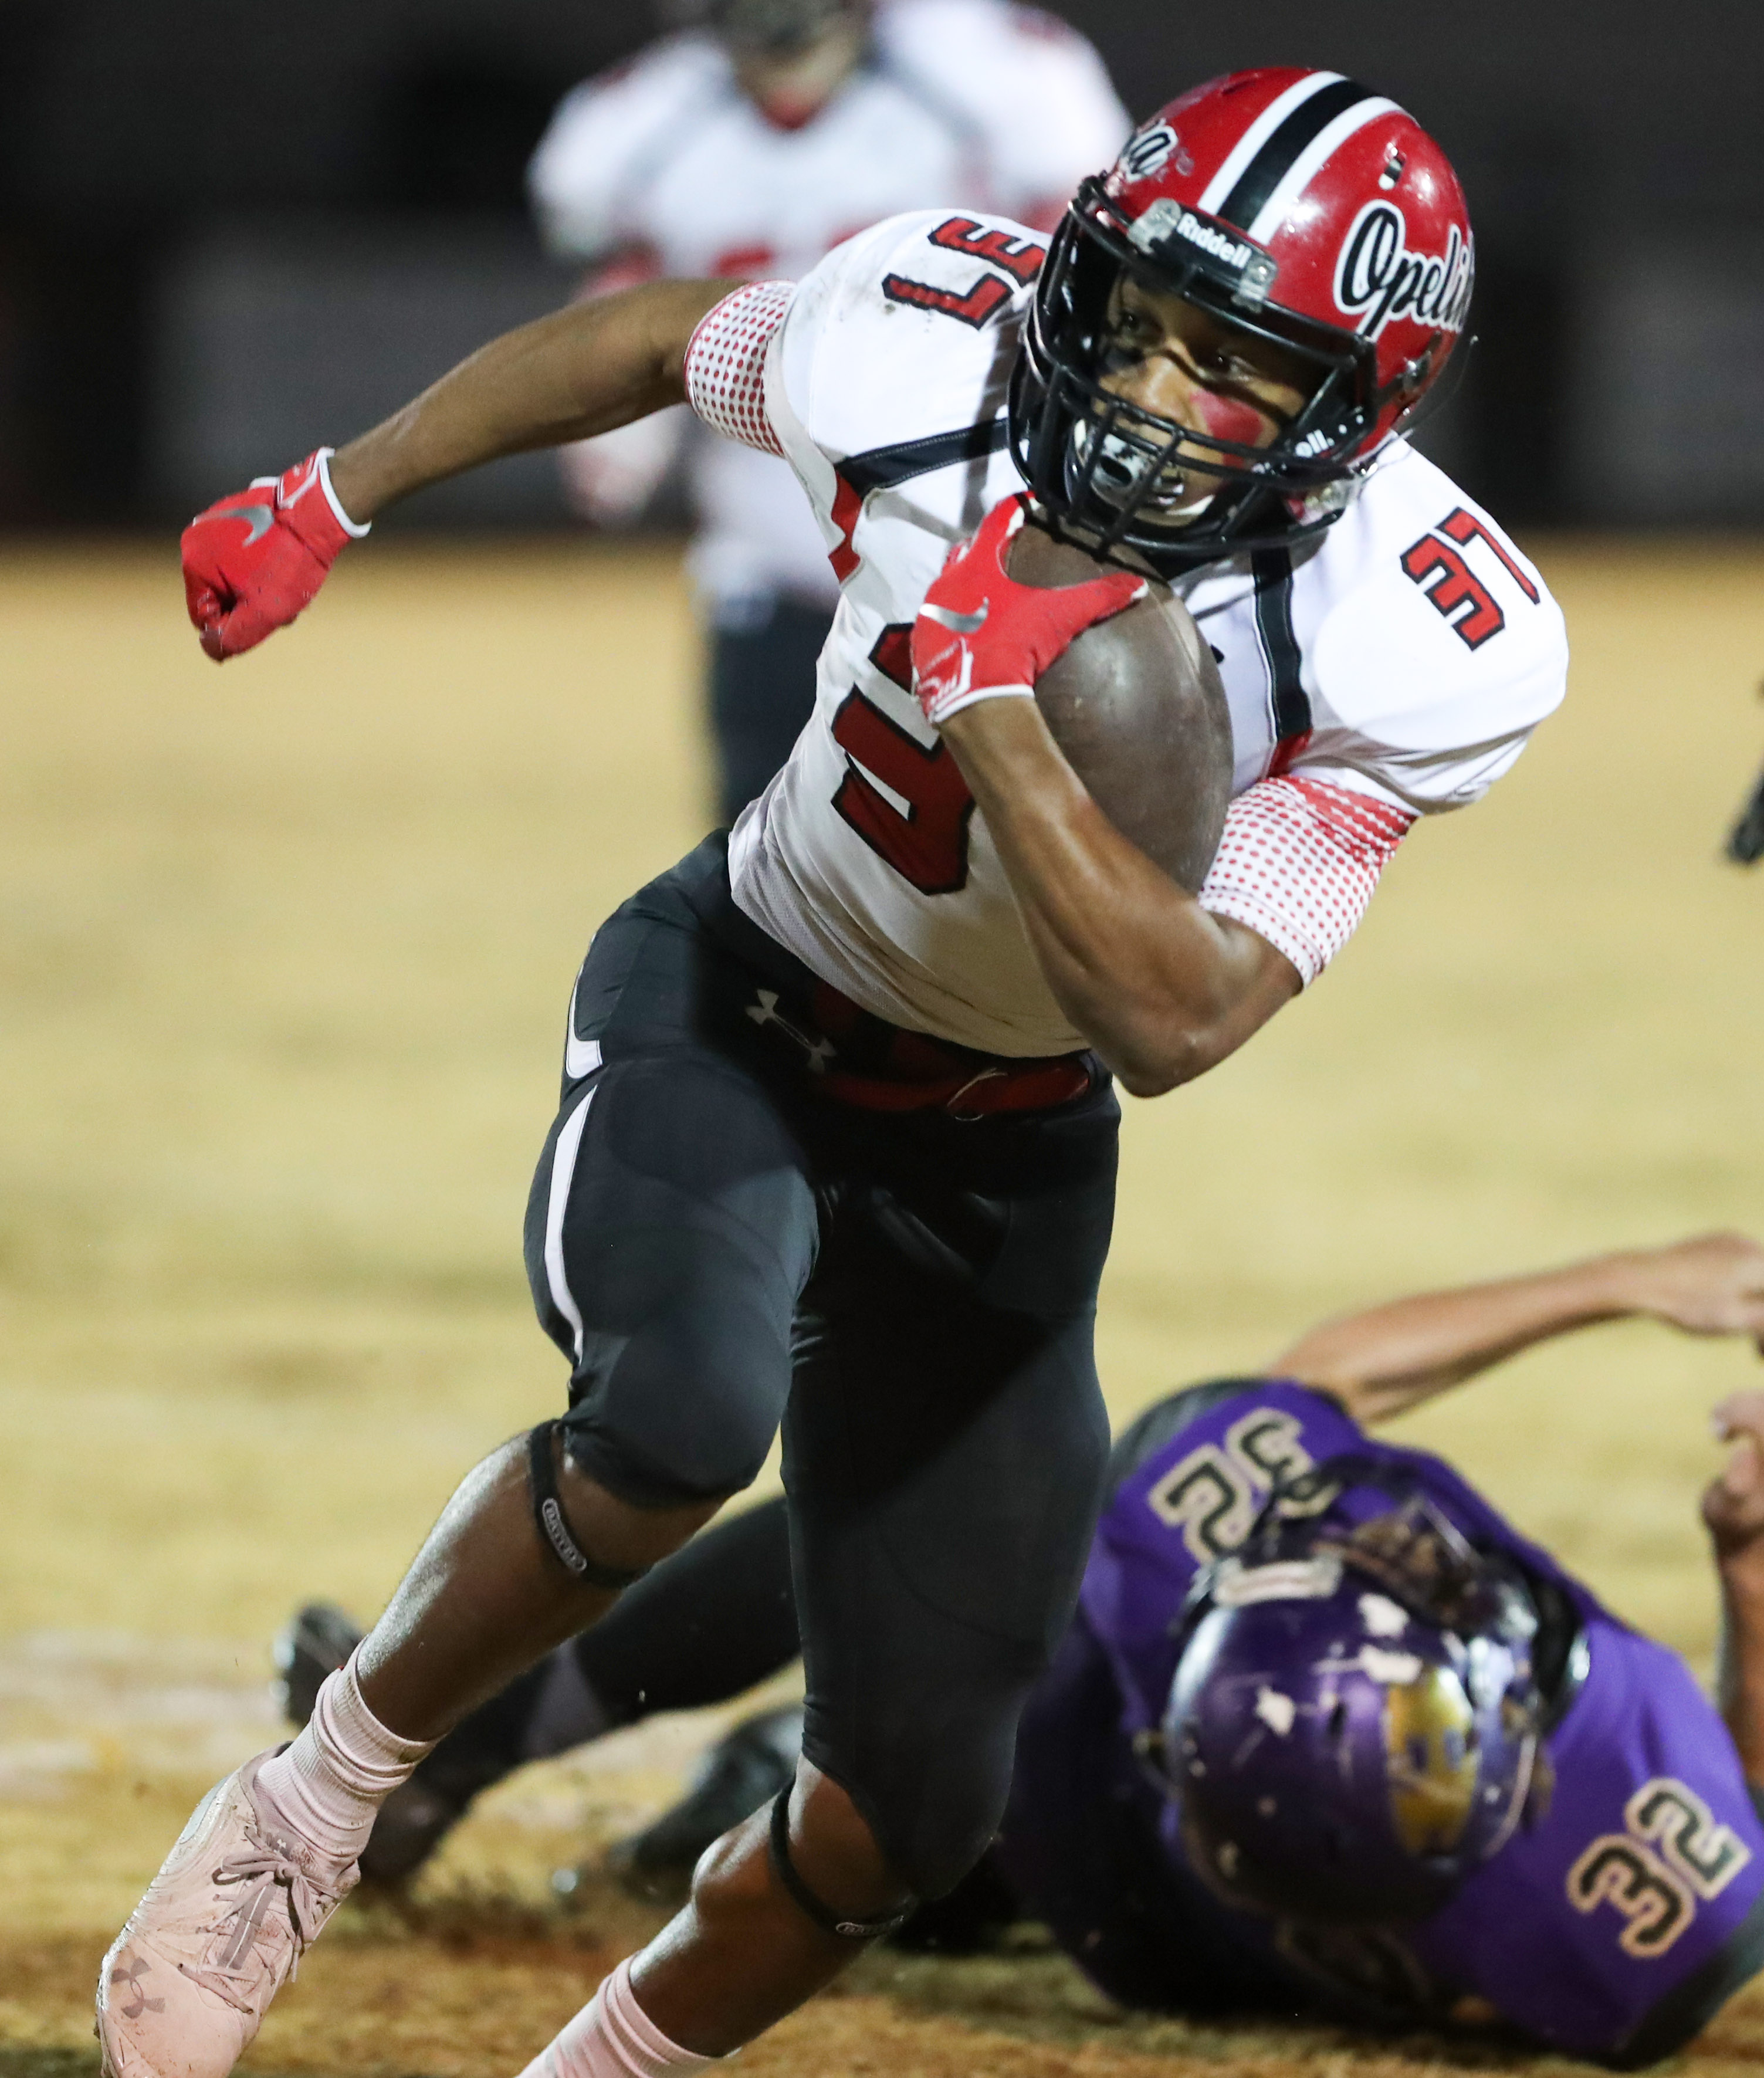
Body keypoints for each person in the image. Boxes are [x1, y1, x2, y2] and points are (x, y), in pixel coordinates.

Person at [106, 67, 1569, 2078]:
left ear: (1345, 413)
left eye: (1228, 368)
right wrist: (336, 488)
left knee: (910, 1811)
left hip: (1008, 1147)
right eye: (1134, 316)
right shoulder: (918, 336)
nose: (1148, 391)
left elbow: (1172, 1022)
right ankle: (307, 1805)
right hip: (741, 1008)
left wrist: (994, 722)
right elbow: (645, 337)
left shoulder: (1418, 640)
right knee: (674, 1426)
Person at [285, 1232, 1764, 2067]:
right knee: (895, 1786)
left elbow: (1326, 1377)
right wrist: (1748, 1579)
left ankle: (494, 1750)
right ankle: (752, 1804)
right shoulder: (1613, 1931)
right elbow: (1730, 1832)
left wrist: (1627, 1282)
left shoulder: (1166, 1583)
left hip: (1115, 1860)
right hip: (1172, 1885)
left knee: (931, 1528)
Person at [531, 0, 1129, 821]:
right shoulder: (641, 124)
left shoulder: (987, 78)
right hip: (767, 562)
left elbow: (1077, 273)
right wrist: (626, 412)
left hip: (971, 563)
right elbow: (635, 287)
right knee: (758, 874)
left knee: (1002, 865)